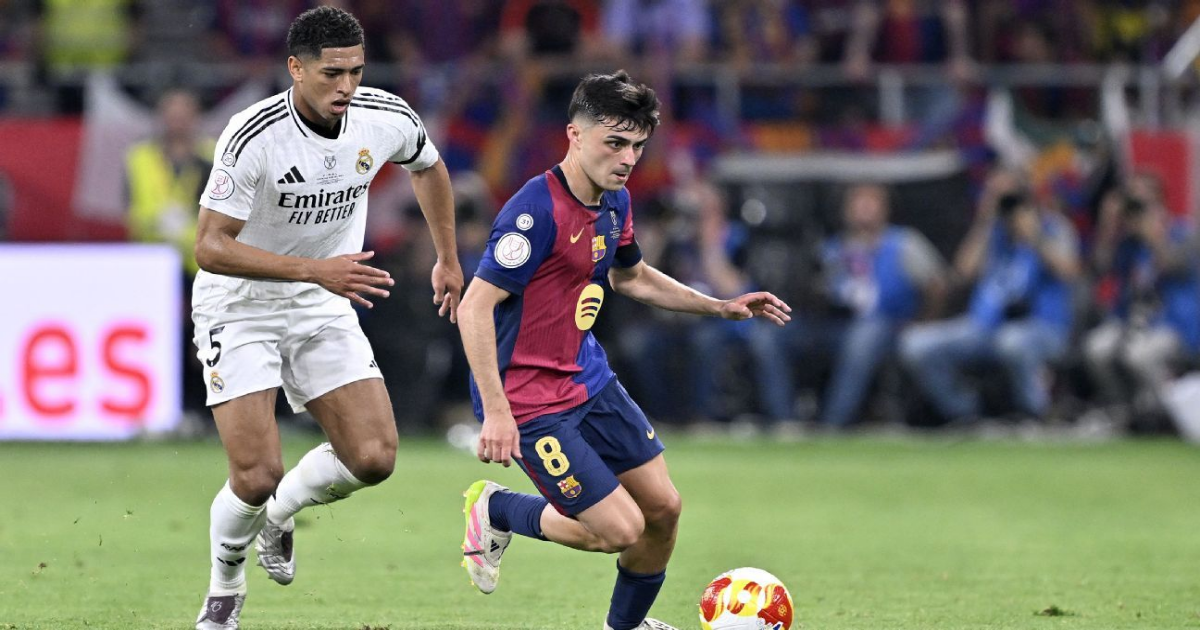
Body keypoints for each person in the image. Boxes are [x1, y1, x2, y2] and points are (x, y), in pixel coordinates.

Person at [455, 71, 790, 630]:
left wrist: (719, 305)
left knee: (664, 511)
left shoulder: (615, 202)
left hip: (587, 379)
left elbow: (630, 277)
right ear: (574, 135)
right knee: (619, 530)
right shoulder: (534, 212)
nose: (629, 158)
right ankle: (498, 508)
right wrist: (495, 410)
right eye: (615, 142)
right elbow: (474, 308)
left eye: (637, 145)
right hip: (528, 399)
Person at [189, 7, 462, 629]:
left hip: (319, 301)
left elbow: (428, 166)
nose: (347, 86)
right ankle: (224, 589)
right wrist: (314, 270)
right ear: (295, 67)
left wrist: (447, 257)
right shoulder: (253, 135)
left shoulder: (384, 116)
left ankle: (281, 515)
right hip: (240, 304)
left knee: (374, 457)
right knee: (256, 474)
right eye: (332, 73)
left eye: (356, 71)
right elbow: (209, 247)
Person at [899, 169, 1080, 423]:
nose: (1003, 202)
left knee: (1011, 342)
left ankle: (1037, 415)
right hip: (984, 328)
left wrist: (1034, 236)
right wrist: (984, 221)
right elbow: (963, 272)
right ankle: (964, 412)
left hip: (1042, 327)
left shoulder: (1053, 227)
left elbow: (1069, 272)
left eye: (1009, 195)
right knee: (914, 345)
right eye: (995, 194)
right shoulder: (992, 233)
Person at [1084, 173, 1200, 424]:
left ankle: (1167, 417)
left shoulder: (1183, 232)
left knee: (1138, 356)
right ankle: (1126, 412)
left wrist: (1153, 237)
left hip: (1174, 324)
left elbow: (1175, 267)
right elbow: (1100, 268)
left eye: (1142, 202)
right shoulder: (1129, 242)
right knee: (1097, 348)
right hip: (1131, 320)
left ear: (1160, 202)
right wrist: (1108, 226)